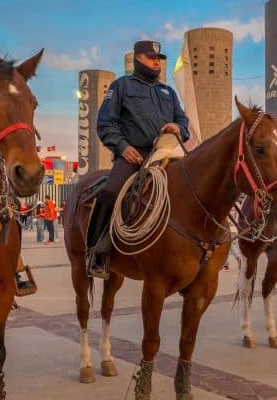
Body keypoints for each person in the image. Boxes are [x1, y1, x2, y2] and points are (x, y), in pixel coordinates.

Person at [86, 40, 190, 278]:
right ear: (138, 59)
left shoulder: (168, 92)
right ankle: (96, 251)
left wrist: (179, 127)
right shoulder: (121, 86)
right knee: (110, 192)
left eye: (159, 59)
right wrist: (123, 147)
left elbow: (183, 122)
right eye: (152, 58)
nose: (157, 62)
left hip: (166, 153)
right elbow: (105, 123)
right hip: (134, 155)